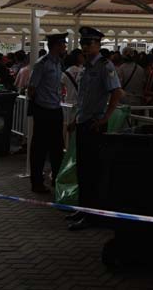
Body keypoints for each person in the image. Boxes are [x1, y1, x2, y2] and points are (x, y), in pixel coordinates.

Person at [67, 27, 123, 232]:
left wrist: (105, 118)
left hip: (94, 125)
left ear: (98, 45)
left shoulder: (104, 66)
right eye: (83, 43)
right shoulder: (86, 68)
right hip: (83, 122)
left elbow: (116, 93)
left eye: (89, 43)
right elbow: (83, 99)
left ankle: (93, 214)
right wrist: (75, 120)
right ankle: (83, 209)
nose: (85, 47)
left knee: (93, 171)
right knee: (83, 170)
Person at [28, 33, 67, 194]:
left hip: (56, 109)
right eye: (63, 44)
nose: (65, 46)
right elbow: (31, 88)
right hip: (43, 110)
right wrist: (40, 105)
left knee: (57, 148)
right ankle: (37, 182)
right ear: (56, 45)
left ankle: (56, 180)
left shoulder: (59, 63)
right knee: (39, 149)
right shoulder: (42, 64)